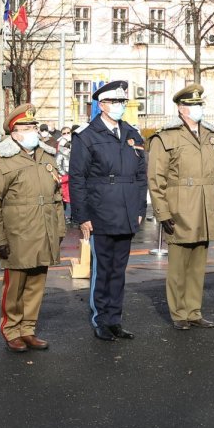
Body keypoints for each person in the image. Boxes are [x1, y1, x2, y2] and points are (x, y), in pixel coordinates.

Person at [68, 81, 147, 341]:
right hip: (100, 212)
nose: (119, 107)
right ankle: (100, 319)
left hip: (125, 211)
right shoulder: (87, 135)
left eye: (122, 102)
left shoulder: (132, 134)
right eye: (114, 102)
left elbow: (140, 176)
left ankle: (115, 319)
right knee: (102, 269)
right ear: (101, 105)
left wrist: (139, 208)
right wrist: (82, 216)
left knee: (118, 270)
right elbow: (77, 179)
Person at [0, 104, 66, 351]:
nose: (32, 131)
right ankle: (11, 329)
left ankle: (28, 328)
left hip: (44, 229)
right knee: (15, 286)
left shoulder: (46, 156)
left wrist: (59, 229)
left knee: (37, 282)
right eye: (26, 127)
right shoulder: (1, 161)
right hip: (17, 233)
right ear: (14, 132)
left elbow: (57, 196)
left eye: (33, 126)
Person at [147, 85, 214, 330]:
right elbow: (156, 178)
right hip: (180, 208)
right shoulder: (167, 137)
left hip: (204, 207)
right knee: (178, 266)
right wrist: (162, 212)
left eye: (200, 104)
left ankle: (194, 310)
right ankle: (179, 313)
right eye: (194, 105)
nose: (198, 109)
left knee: (198, 265)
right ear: (181, 109)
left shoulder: (213, 135)